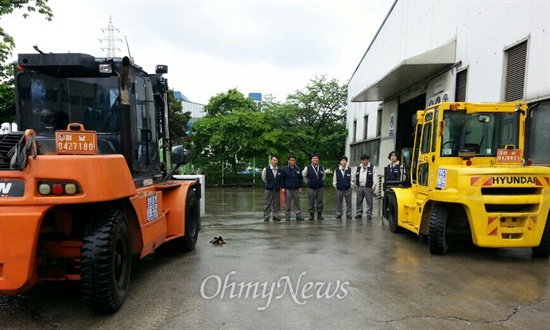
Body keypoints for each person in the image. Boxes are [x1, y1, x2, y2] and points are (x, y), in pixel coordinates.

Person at [302, 153, 326, 220]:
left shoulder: (321, 167)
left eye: (316, 158)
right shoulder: (308, 167)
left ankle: (319, 214)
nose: (315, 159)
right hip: (311, 188)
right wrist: (307, 182)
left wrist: (321, 181)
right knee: (311, 201)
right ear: (311, 160)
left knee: (320, 201)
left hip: (320, 187)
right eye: (314, 158)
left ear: (318, 160)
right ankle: (311, 214)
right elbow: (303, 175)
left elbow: (324, 175)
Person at [281, 154, 304, 221]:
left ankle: (298, 215)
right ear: (288, 161)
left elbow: (300, 178)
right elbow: (282, 179)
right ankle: (287, 215)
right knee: (288, 203)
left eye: (294, 160)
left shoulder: (298, 169)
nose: (292, 161)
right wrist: (283, 187)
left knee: (297, 202)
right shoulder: (285, 169)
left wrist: (300, 186)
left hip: (296, 188)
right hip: (287, 188)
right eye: (291, 160)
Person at [354, 154, 377, 220]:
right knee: (359, 201)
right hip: (360, 187)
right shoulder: (358, 167)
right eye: (363, 160)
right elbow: (355, 177)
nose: (364, 161)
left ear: (367, 160)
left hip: (368, 187)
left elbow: (374, 177)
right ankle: (359, 213)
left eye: (365, 160)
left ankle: (369, 214)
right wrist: (355, 185)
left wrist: (374, 185)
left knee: (369, 201)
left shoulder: (372, 167)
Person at [383, 151, 404, 219]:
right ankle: (387, 214)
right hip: (389, 186)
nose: (393, 157)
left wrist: (401, 184)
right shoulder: (388, 166)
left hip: (396, 187)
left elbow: (402, 177)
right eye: (391, 156)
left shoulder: (400, 166)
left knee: (394, 202)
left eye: (394, 156)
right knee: (387, 201)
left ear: (397, 157)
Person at [261, 155, 282, 221]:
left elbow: (280, 179)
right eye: (274, 160)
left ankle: (276, 216)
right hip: (269, 189)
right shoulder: (266, 169)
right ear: (271, 161)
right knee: (267, 203)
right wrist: (269, 184)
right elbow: (263, 178)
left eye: (276, 160)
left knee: (276, 204)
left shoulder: (279, 170)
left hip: (277, 189)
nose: (275, 161)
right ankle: (266, 216)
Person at [333, 155, 352, 220]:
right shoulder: (337, 170)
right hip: (339, 189)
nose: (344, 162)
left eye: (345, 161)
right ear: (340, 162)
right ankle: (338, 214)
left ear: (346, 162)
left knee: (349, 202)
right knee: (339, 202)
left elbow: (351, 179)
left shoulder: (349, 170)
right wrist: (337, 187)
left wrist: (351, 186)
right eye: (342, 161)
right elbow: (334, 180)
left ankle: (349, 214)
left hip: (348, 189)